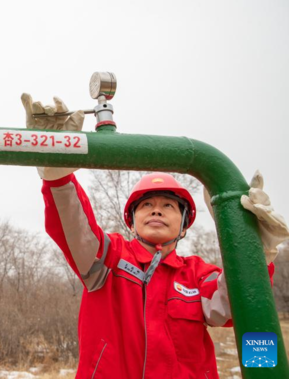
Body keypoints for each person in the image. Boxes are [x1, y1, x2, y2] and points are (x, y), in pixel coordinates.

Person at [21, 93, 289, 379]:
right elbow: (75, 229)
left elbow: (228, 308)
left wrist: (254, 251)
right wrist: (58, 179)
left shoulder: (197, 275)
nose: (156, 211)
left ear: (185, 225)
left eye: (168, 206)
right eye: (147, 205)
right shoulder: (107, 260)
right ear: (132, 223)